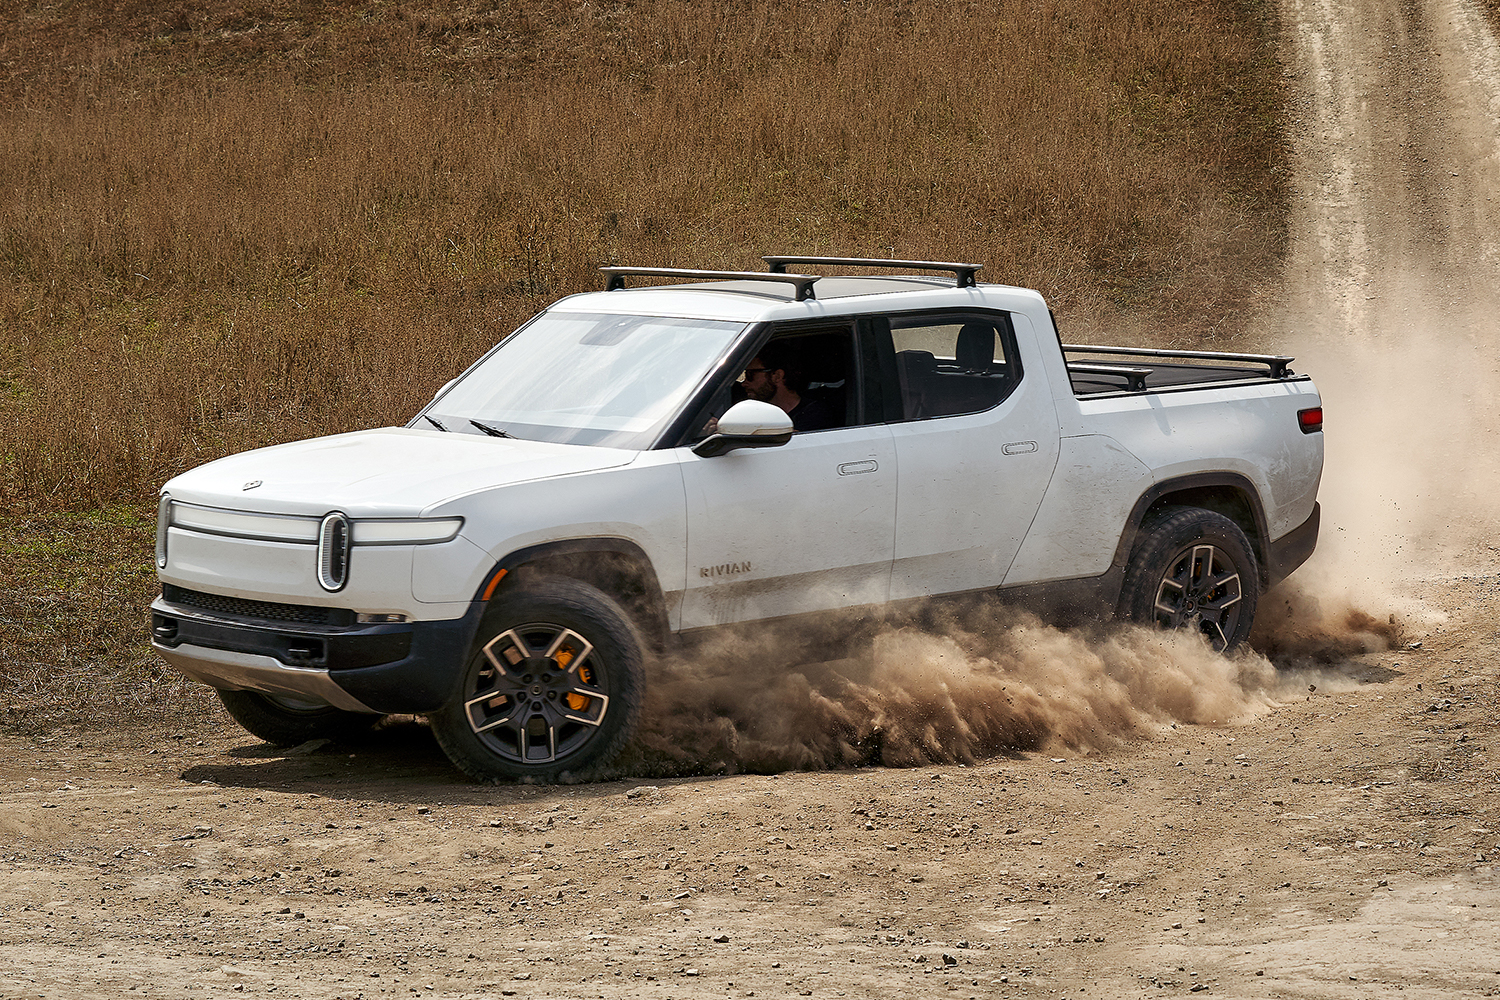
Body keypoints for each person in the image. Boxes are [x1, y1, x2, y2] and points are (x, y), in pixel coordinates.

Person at [738, 342, 842, 432]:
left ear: (777, 376)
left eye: (750, 375)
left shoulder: (815, 415)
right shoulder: (753, 412)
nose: (744, 383)